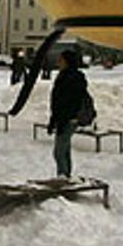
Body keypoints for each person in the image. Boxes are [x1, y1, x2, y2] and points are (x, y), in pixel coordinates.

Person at [47, 49, 89, 178]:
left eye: (61, 60)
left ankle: (63, 176)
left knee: (59, 151)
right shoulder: (64, 75)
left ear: (67, 62)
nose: (58, 62)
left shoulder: (73, 77)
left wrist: (63, 119)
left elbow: (70, 101)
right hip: (63, 117)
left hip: (69, 118)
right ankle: (66, 175)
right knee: (64, 149)